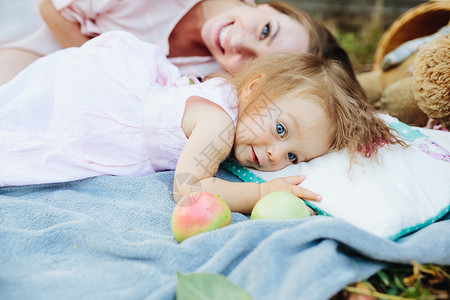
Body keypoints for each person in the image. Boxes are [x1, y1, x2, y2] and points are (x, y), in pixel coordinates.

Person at [0, 31, 401, 213]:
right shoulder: (218, 123)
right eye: (281, 129)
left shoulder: (226, 103)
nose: (277, 154)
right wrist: (261, 196)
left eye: (294, 157)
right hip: (101, 113)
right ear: (253, 89)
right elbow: (188, 190)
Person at [0, 0, 356, 85]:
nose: (239, 44)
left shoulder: (210, 70)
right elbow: (51, 8)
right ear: (262, 5)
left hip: (52, 70)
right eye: (265, 31)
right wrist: (105, 58)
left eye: (254, 62)